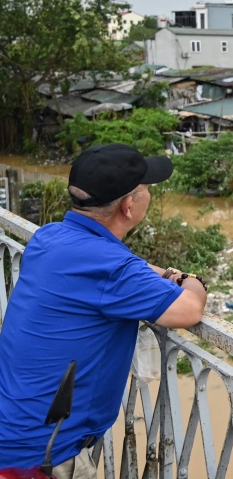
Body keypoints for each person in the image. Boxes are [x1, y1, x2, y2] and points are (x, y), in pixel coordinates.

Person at [0, 144, 207, 478]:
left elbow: (123, 266)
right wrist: (191, 279)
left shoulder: (50, 237)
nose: (149, 195)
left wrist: (163, 275)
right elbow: (189, 309)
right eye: (145, 190)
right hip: (43, 454)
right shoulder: (112, 270)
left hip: (12, 424)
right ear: (128, 206)